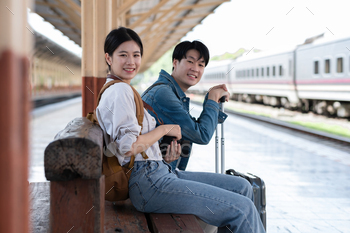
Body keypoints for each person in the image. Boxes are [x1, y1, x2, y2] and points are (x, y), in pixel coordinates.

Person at [96, 27, 265, 233]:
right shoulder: (121, 90)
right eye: (123, 55)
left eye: (136, 55)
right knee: (243, 208)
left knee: (242, 187)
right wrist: (166, 129)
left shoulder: (121, 88)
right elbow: (128, 147)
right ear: (109, 57)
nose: (131, 61)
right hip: (149, 182)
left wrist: (162, 157)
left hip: (159, 172)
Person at [142, 40, 229, 170]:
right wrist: (212, 98)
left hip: (160, 171)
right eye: (190, 61)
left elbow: (193, 128)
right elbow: (202, 135)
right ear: (175, 62)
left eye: (201, 64)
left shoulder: (169, 91)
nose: (195, 69)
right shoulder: (163, 94)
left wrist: (211, 99)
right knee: (240, 186)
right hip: (150, 176)